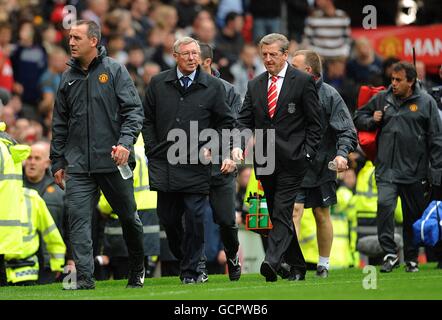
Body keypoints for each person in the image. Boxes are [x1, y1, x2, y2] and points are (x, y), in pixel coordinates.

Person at [50, 20, 145, 289]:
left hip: (114, 161)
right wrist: (57, 160)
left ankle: (137, 267)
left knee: (128, 217)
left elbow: (134, 112)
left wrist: (126, 144)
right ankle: (85, 279)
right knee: (78, 221)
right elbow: (59, 123)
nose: (71, 42)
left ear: (93, 41)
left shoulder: (115, 70)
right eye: (69, 37)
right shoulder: (67, 77)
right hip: (79, 165)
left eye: (77, 37)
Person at [142, 36, 234, 284]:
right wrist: (151, 147)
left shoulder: (213, 86)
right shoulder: (158, 83)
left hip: (197, 163)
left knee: (195, 216)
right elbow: (147, 119)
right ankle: (188, 260)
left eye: (195, 53)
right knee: (168, 219)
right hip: (165, 161)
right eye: (187, 54)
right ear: (175, 56)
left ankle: (192, 270)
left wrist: (212, 147)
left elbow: (226, 122)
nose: (192, 58)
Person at [232, 33, 323, 282]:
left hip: (294, 160)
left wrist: (307, 153)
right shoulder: (255, 84)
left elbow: (316, 123)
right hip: (265, 159)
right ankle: (297, 265)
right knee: (275, 213)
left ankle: (271, 261)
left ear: (285, 55)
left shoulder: (303, 81)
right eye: (265, 55)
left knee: (283, 209)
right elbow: (243, 120)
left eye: (273, 54)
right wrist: (239, 144)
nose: (268, 59)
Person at [353, 61, 442, 273]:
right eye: (392, 79)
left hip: (415, 172)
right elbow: (358, 116)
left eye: (398, 80)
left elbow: (437, 139)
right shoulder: (382, 98)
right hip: (387, 170)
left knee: (413, 215)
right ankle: (390, 253)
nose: (393, 83)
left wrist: (436, 170)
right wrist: (371, 120)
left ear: (411, 82)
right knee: (384, 207)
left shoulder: (426, 103)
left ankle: (411, 258)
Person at [291, 50, 357, 278]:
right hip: (296, 164)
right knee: (294, 212)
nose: (289, 70)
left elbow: (347, 130)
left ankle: (323, 264)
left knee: (321, 213)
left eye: (294, 66)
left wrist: (341, 154)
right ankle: (294, 264)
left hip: (322, 165)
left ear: (308, 71)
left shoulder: (330, 95)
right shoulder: (287, 93)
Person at [199, 43, 242, 280]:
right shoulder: (184, 89)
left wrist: (232, 153)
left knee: (226, 219)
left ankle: (232, 256)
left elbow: (237, 126)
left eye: (194, 57)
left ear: (207, 62)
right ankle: (199, 264)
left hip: (222, 165)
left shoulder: (228, 91)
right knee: (193, 217)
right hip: (191, 165)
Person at [23, 141, 69, 284]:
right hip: (21, 261)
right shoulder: (14, 186)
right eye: (29, 158)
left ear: (46, 163)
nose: (32, 162)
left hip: (51, 262)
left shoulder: (59, 188)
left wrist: (72, 258)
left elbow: (69, 226)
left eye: (37, 158)